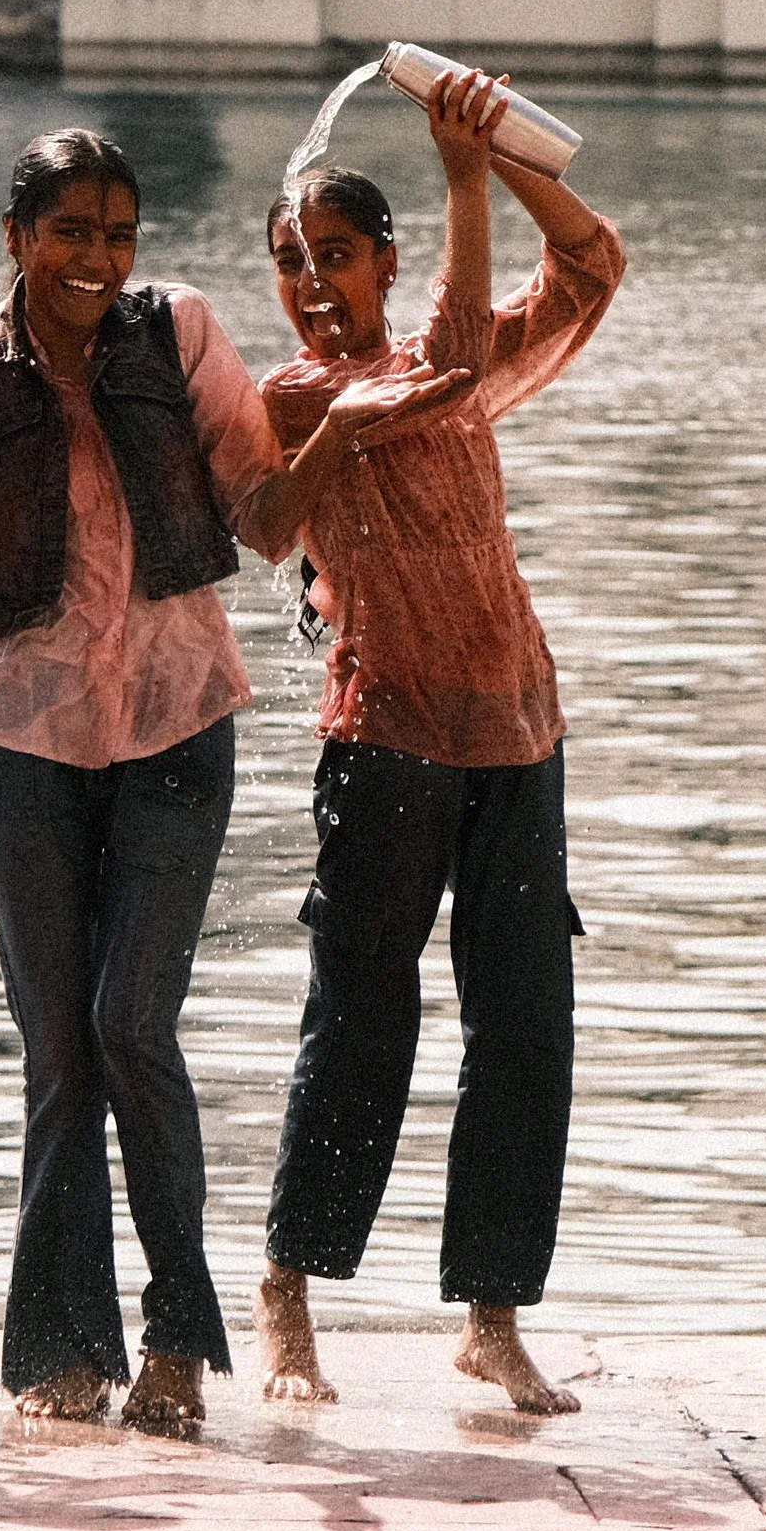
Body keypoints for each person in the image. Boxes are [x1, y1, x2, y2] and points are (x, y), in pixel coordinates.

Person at [0, 129, 465, 1434]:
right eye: (70, 232)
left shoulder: (177, 332)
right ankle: (59, 1350)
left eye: (118, 233)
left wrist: (344, 433)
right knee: (60, 1050)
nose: (97, 258)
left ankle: (180, 1337)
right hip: (24, 738)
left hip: (178, 727)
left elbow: (262, 521)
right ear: (15, 237)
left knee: (132, 1023)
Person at [251, 72, 625, 1415]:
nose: (313, 284)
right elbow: (450, 367)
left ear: (386, 260)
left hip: (521, 731)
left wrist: (506, 150)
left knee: (525, 1025)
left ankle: (491, 1316)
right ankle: (289, 1292)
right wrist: (462, 178)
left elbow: (592, 259)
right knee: (362, 1020)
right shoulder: (297, 400)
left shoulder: (446, 367)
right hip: (388, 736)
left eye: (337, 257)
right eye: (292, 264)